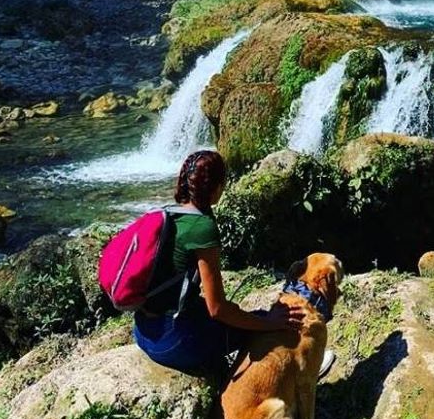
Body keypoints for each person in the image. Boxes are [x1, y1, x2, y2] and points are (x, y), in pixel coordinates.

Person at [133, 149, 333, 380]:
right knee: (267, 323)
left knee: (251, 319)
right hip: (171, 341)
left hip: (144, 331)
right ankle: (304, 371)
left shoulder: (167, 214)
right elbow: (217, 309)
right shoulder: (202, 228)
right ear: (217, 187)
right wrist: (267, 323)